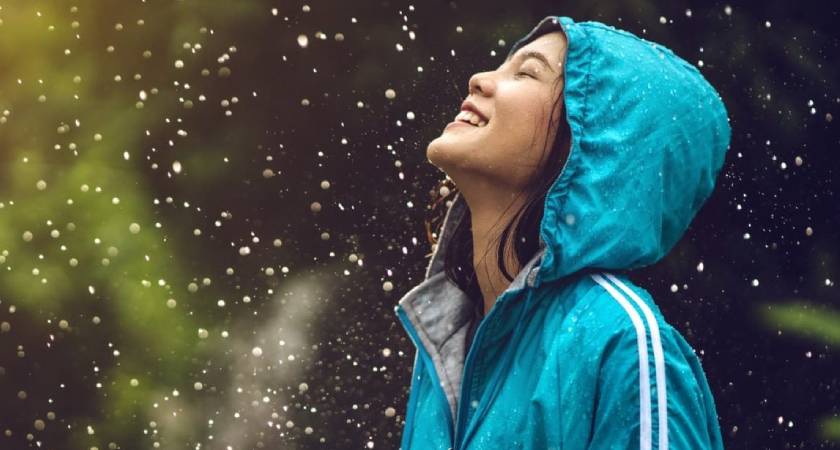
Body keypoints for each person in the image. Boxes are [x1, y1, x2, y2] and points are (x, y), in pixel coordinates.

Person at [394, 15, 731, 450]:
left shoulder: (622, 341)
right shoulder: (447, 338)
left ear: (593, 144)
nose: (479, 79)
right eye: (501, 65)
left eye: (528, 71)